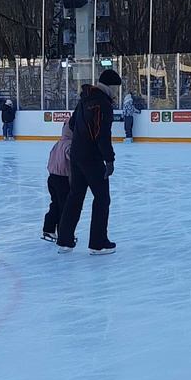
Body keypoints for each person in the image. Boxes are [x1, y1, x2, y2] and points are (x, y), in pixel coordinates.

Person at [57, 69, 121, 255]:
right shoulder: (103, 103)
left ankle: (64, 240)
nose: (116, 91)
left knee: (75, 196)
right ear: (110, 86)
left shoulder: (85, 98)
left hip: (76, 155)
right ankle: (98, 243)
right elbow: (103, 135)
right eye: (116, 87)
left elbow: (71, 124)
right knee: (102, 198)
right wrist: (109, 159)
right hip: (92, 157)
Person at [42, 121, 73, 242]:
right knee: (65, 208)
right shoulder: (69, 145)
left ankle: (48, 229)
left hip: (52, 178)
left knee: (55, 204)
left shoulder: (58, 143)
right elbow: (73, 157)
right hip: (63, 180)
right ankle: (63, 234)